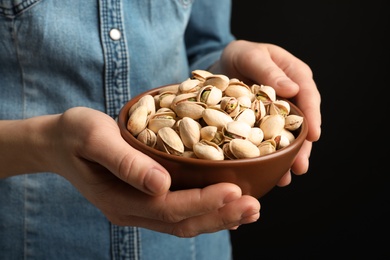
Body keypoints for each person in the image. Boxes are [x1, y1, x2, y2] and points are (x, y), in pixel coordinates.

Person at [0, 0, 321, 259]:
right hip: (38, 239)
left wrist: (226, 63)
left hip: (193, 249)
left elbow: (204, 43)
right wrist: (43, 144)